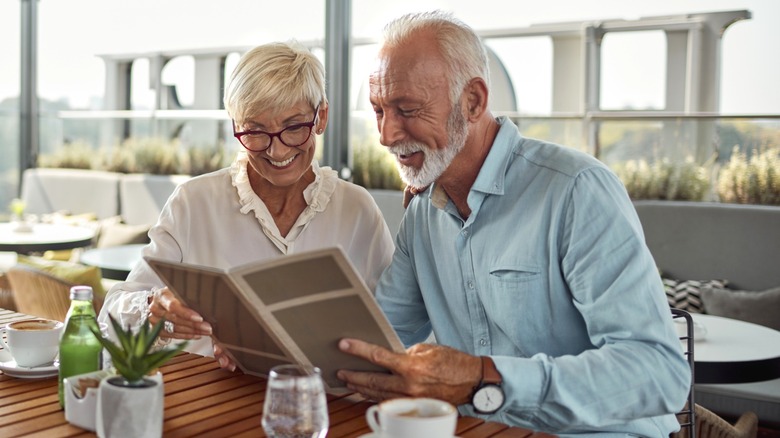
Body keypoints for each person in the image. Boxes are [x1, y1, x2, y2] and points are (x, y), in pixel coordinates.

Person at [336, 11, 691, 436]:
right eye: (377, 111)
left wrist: (481, 377)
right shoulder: (421, 215)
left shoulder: (577, 190)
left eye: (407, 109)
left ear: (473, 102)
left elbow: (659, 372)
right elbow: (379, 342)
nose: (386, 134)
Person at [98, 41, 395, 368]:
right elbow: (111, 311)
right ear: (235, 126)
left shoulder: (356, 211)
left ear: (321, 117)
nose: (277, 151)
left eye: (294, 127)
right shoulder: (193, 203)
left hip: (325, 404)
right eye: (255, 131)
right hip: (209, 399)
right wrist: (153, 307)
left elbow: (394, 329)